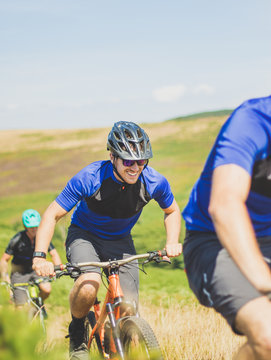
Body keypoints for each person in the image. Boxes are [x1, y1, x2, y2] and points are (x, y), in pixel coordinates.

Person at [32, 121, 182, 360]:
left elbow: (172, 211)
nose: (135, 168)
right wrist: (40, 256)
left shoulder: (154, 181)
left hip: (120, 240)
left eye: (141, 161)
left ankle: (119, 344)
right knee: (89, 282)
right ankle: (78, 333)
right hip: (84, 236)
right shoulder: (90, 177)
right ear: (112, 156)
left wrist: (172, 241)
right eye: (128, 161)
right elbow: (52, 214)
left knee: (129, 307)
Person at [182, 95, 271, 360]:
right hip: (214, 239)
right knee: (268, 338)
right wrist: (266, 285)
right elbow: (224, 205)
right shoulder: (253, 120)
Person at [0, 209, 62, 314]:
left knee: (46, 289)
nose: (34, 229)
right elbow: (4, 260)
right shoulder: (17, 239)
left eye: (36, 226)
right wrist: (5, 278)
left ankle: (37, 303)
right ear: (25, 227)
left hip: (36, 269)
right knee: (20, 308)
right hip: (19, 273)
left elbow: (54, 254)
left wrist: (58, 269)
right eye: (31, 227)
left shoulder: (42, 238)